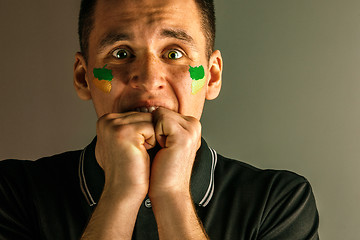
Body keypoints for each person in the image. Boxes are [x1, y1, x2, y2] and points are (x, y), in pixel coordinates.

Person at [0, 0, 319, 239]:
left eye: (175, 53)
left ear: (211, 76)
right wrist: (120, 194)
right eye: (121, 53)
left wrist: (172, 195)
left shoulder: (279, 202)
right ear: (84, 77)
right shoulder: (14, 192)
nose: (149, 79)